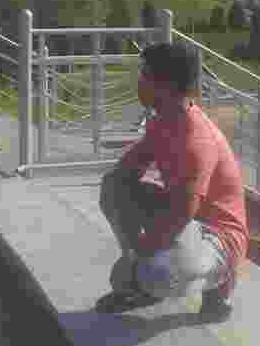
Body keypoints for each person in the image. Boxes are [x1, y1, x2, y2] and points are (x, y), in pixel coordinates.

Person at [96, 42, 248, 323]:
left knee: (156, 275)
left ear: (165, 84)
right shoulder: (166, 120)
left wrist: (135, 259)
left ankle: (219, 285)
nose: (138, 82)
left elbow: (181, 214)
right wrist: (134, 250)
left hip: (219, 236)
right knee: (114, 187)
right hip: (191, 222)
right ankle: (142, 285)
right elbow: (125, 172)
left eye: (144, 74)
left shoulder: (195, 140)